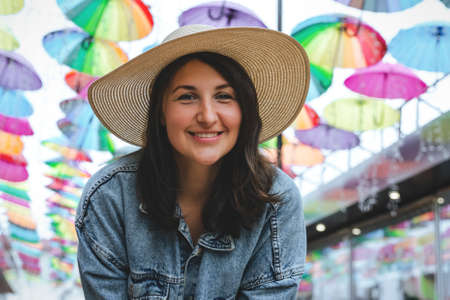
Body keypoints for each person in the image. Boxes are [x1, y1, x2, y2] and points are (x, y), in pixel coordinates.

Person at [76, 24, 310, 299]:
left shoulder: (276, 199)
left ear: (244, 110)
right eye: (187, 97)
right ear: (161, 112)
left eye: (224, 96)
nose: (208, 116)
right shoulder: (111, 196)